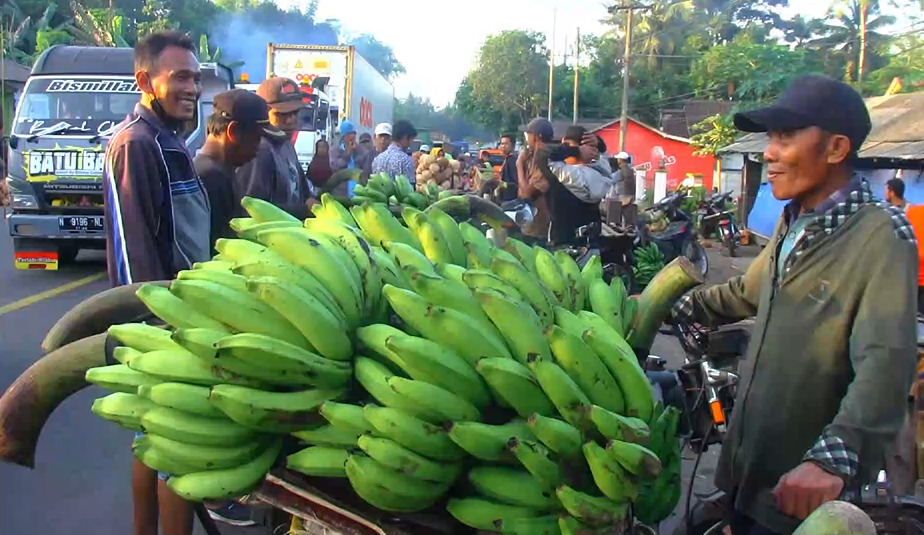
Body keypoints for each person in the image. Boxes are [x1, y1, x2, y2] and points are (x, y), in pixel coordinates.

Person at [672, 74, 917, 534]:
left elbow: (887, 360)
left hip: (806, 486)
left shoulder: (881, 234)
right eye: (771, 138)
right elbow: (746, 292)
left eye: (786, 137)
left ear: (836, 148)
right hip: (751, 471)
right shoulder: (794, 221)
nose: (769, 152)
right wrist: (672, 303)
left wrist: (833, 458)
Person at [102, 31, 208, 535]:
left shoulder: (171, 141)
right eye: (180, 77)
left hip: (184, 314)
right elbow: (133, 249)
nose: (193, 88)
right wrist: (154, 330)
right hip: (163, 323)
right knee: (173, 450)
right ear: (145, 80)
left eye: (196, 77)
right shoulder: (136, 144)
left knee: (151, 442)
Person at [195, 89, 280, 252]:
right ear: (232, 131)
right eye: (256, 138)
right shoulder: (212, 178)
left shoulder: (220, 169)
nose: (258, 148)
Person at [234, 77, 315, 218]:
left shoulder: (286, 143)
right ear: (262, 113)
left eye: (295, 113)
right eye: (281, 114)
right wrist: (303, 211)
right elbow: (252, 208)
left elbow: (304, 193)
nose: (291, 121)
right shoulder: (258, 150)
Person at [372, 119, 417, 184]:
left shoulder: (377, 159)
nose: (411, 142)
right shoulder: (406, 160)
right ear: (405, 137)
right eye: (411, 139)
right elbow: (409, 190)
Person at [499, 133, 519, 201]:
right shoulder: (507, 159)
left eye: (506, 144)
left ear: (513, 146)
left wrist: (501, 184)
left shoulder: (513, 161)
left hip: (511, 199)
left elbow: (516, 184)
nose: (503, 146)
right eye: (502, 144)